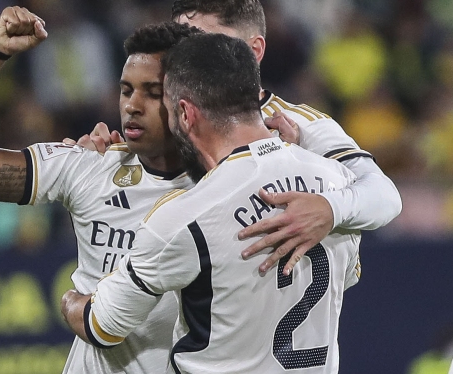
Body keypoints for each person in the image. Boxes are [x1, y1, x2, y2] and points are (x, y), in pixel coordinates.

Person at [0, 6, 204, 373]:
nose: (132, 106)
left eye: (152, 93)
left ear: (188, 100)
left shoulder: (225, 189)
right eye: (125, 90)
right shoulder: (89, 164)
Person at [62, 32, 362, 374]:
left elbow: (102, 325)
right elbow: (347, 278)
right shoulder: (340, 184)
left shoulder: (185, 216)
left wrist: (70, 299)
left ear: (187, 114)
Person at [75, 0, 401, 276]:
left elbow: (384, 197)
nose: (190, 57)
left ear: (254, 50)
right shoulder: (164, 111)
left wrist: (330, 208)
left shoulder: (300, 124)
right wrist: (100, 159)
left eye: (207, 42)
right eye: (182, 45)